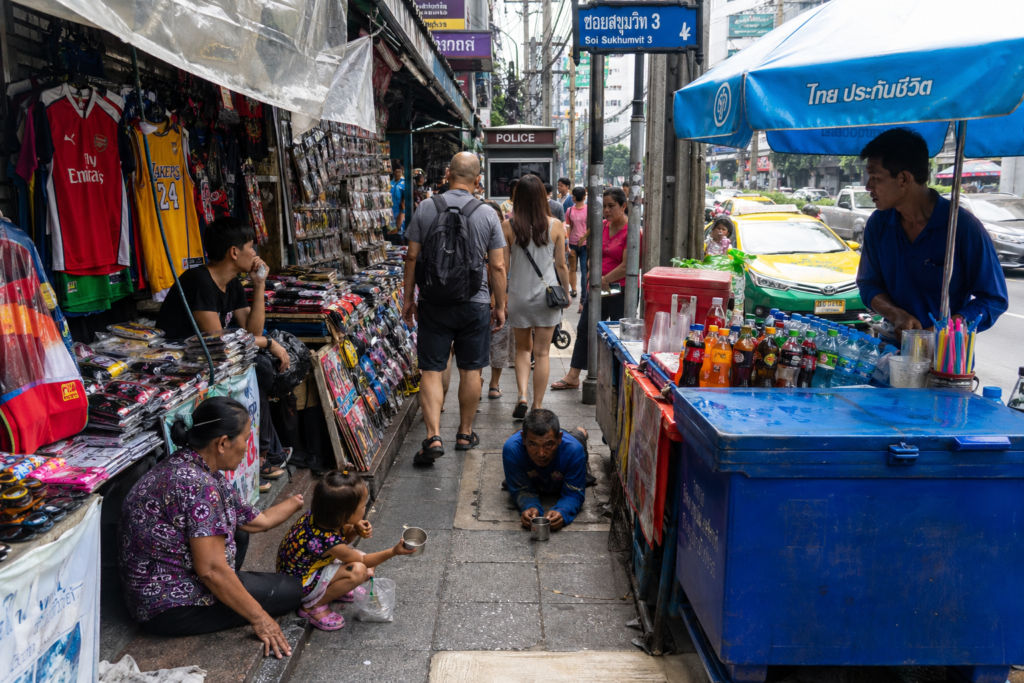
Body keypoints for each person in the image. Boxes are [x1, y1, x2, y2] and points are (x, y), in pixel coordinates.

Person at [118, 397, 304, 658]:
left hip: (156, 589)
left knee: (237, 530)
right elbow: (211, 570)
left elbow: (256, 521)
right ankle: (225, 595)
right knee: (291, 590)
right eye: (245, 438)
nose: (247, 445)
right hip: (169, 607)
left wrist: (298, 503)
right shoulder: (199, 486)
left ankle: (230, 590)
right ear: (223, 443)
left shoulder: (190, 463)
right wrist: (260, 618)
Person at [156, 217, 291, 489]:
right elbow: (220, 346)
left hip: (212, 361)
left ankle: (262, 454)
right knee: (261, 363)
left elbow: (251, 328)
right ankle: (262, 456)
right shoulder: (200, 281)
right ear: (234, 252)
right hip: (180, 365)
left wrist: (260, 285)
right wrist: (267, 342)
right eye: (251, 247)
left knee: (262, 366)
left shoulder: (232, 284)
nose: (255, 254)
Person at [855, 128, 1008, 340]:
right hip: (888, 351)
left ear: (904, 179)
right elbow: (868, 285)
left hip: (946, 361)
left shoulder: (962, 227)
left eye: (874, 177)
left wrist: (943, 332)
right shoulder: (878, 224)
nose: (867, 186)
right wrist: (896, 314)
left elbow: (993, 300)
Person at [403, 152, 507, 463]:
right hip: (474, 302)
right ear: (478, 180)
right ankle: (464, 432)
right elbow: (498, 267)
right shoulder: (488, 214)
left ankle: (433, 436)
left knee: (432, 370)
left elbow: (411, 257)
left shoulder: (425, 208)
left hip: (433, 301)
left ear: (447, 174)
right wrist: (499, 305)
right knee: (470, 369)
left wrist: (409, 299)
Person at [276, 470, 415, 631]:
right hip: (300, 585)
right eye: (362, 506)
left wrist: (355, 528)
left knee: (364, 567)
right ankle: (312, 606)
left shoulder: (321, 516)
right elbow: (361, 561)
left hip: (303, 569)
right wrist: (394, 551)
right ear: (344, 515)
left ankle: (332, 589)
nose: (365, 508)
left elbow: (343, 540)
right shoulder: (327, 541)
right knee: (359, 571)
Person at [503, 175, 572, 418]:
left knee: (523, 349)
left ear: (517, 197)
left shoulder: (508, 226)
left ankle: (521, 394)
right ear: (543, 197)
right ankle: (537, 405)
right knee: (542, 353)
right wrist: (568, 291)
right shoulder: (555, 226)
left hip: (518, 296)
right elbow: (562, 265)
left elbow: (502, 267)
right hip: (548, 296)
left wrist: (500, 299)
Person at [553, 187, 630, 391]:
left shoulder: (631, 232)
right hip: (599, 287)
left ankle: (617, 378)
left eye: (611, 206)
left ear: (623, 206)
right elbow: (590, 253)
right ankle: (573, 375)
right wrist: (591, 273)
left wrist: (602, 279)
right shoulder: (602, 227)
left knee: (616, 333)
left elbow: (627, 266)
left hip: (618, 288)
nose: (606, 210)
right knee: (586, 327)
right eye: (604, 206)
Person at [503, 409, 589, 531]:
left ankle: (580, 433)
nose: (541, 454)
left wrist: (563, 511)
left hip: (570, 443)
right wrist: (529, 506)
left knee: (578, 438)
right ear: (523, 439)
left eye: (548, 445)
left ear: (559, 439)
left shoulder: (574, 451)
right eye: (533, 445)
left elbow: (574, 492)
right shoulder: (512, 449)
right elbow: (520, 489)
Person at [484, 200, 515, 399]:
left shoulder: (504, 241)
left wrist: (500, 299)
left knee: (499, 340)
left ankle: (494, 383)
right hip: (478, 298)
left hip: (500, 297)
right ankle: (476, 379)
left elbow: (504, 268)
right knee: (478, 343)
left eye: (496, 218)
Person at [565, 187, 588, 301]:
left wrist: (583, 238)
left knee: (582, 271)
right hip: (574, 244)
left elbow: (591, 227)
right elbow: (568, 228)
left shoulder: (588, 210)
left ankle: (583, 295)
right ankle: (575, 291)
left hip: (584, 245)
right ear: (584, 196)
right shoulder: (569, 210)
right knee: (574, 269)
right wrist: (568, 243)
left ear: (573, 197)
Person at [389, 162, 406, 246]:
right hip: (391, 215)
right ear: (393, 172)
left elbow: (406, 199)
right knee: (392, 237)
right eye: (397, 171)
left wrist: (402, 211)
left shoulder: (404, 183)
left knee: (402, 237)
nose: (399, 174)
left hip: (401, 214)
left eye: (400, 171)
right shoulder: (389, 184)